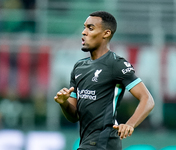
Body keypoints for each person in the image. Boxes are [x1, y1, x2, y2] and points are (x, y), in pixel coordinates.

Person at [54, 11, 155, 150]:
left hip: (104, 142)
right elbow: (74, 117)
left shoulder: (116, 64)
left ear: (106, 33)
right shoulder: (79, 67)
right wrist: (64, 103)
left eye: (90, 28)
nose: (84, 32)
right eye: (84, 27)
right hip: (87, 142)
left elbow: (147, 99)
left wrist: (130, 124)